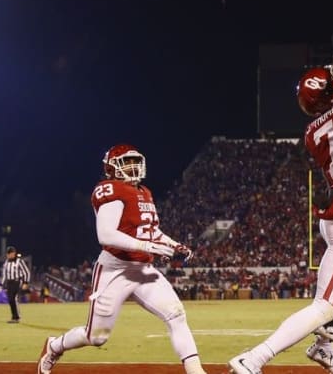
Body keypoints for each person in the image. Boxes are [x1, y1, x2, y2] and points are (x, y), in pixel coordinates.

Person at [228, 65, 333, 374]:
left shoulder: (313, 131)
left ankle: (324, 346)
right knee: (324, 305)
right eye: (332, 78)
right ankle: (254, 358)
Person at [37, 144, 207, 374]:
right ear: (111, 167)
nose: (132, 166)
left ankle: (196, 370)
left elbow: (150, 231)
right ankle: (54, 346)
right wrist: (148, 246)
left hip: (143, 269)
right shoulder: (110, 189)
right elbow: (106, 235)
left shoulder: (144, 192)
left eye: (134, 161)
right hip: (114, 270)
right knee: (96, 336)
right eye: (126, 162)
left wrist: (173, 244)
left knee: (176, 313)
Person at [1, 246, 30, 323]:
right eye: (9, 254)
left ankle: (17, 317)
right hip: (9, 283)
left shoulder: (19, 261)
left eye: (11, 253)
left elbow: (26, 272)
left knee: (14, 298)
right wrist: (2, 284)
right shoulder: (6, 262)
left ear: (14, 253)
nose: (10, 255)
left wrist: (25, 282)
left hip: (17, 282)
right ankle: (14, 316)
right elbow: (5, 274)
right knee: (10, 300)